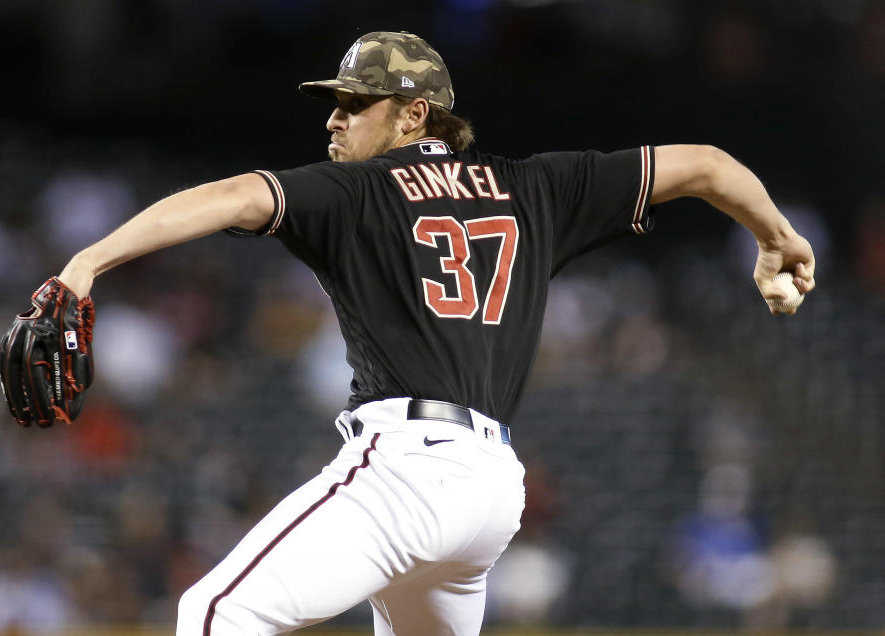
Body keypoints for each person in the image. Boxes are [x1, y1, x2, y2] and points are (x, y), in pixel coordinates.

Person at [54, 31, 816, 636]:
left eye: (356, 103)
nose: (334, 118)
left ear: (414, 113)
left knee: (216, 615)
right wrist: (776, 237)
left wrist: (88, 261)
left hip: (408, 470)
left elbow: (228, 197)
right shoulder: (536, 186)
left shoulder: (356, 189)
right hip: (488, 493)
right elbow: (708, 166)